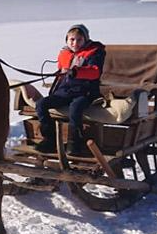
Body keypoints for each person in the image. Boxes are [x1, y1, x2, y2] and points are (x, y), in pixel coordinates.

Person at [34, 24, 106, 156]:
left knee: (75, 108)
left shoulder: (95, 52)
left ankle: (74, 143)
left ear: (86, 40)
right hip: (64, 92)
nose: (75, 43)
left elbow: (95, 72)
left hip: (85, 92)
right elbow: (61, 71)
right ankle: (50, 140)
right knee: (41, 104)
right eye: (72, 39)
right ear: (67, 40)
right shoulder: (64, 53)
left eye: (79, 40)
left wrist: (76, 72)